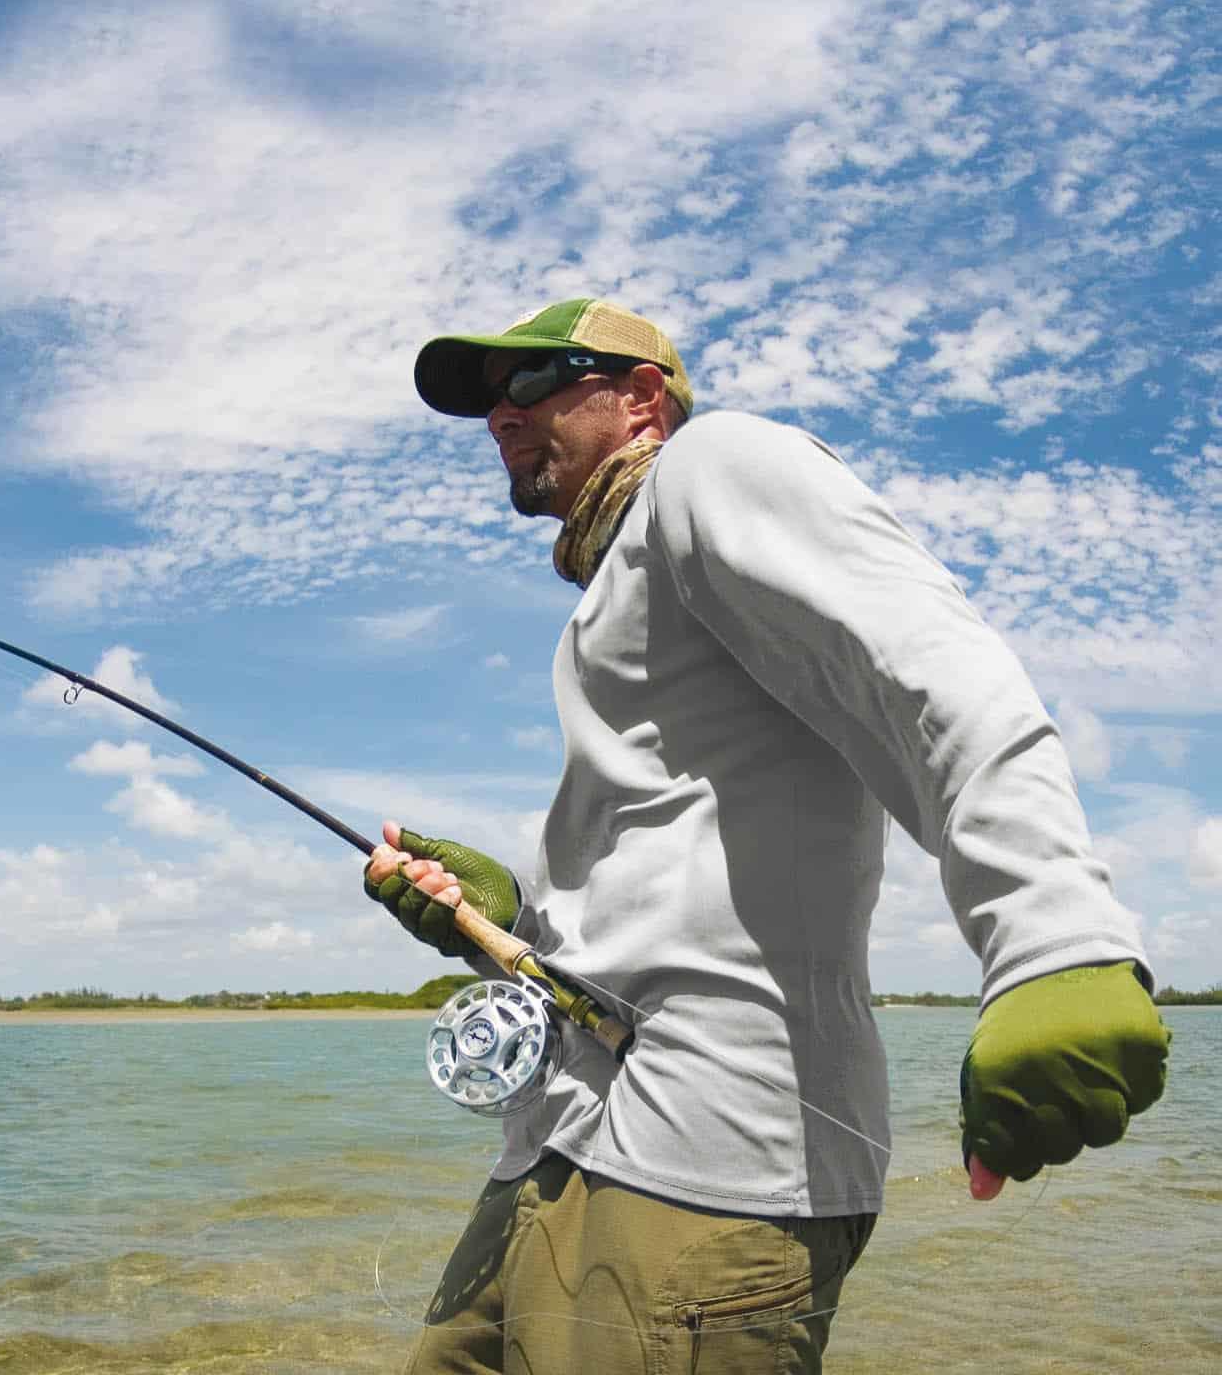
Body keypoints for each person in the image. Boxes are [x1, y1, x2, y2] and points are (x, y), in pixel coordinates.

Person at [364, 297, 1170, 1375]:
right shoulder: (616, 585)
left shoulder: (714, 465)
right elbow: (666, 867)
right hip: (555, 1145)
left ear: (642, 395)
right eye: (486, 404)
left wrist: (1052, 939)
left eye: (530, 382)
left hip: (701, 1167)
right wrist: (499, 920)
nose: (501, 417)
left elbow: (930, 672)